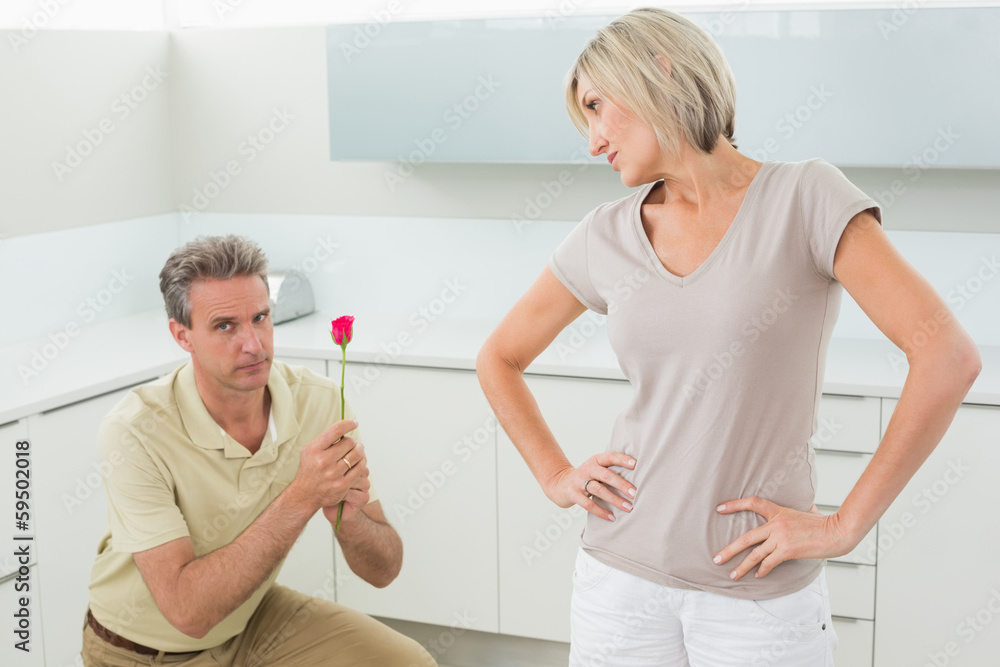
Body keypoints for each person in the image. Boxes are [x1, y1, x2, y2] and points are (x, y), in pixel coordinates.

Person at [476, 8, 981, 666]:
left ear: (659, 71)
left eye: (599, 107)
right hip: (618, 579)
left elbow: (947, 356)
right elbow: (499, 357)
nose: (594, 139)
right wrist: (555, 474)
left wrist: (843, 523)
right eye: (585, 118)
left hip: (757, 594)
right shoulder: (605, 233)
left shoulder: (805, 197)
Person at [83, 235, 435, 666]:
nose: (254, 344)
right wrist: (304, 495)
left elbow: (384, 570)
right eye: (224, 326)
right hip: (142, 651)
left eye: (261, 317)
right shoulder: (134, 430)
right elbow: (188, 613)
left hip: (251, 621)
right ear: (183, 336)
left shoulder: (320, 401)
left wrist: (351, 518)